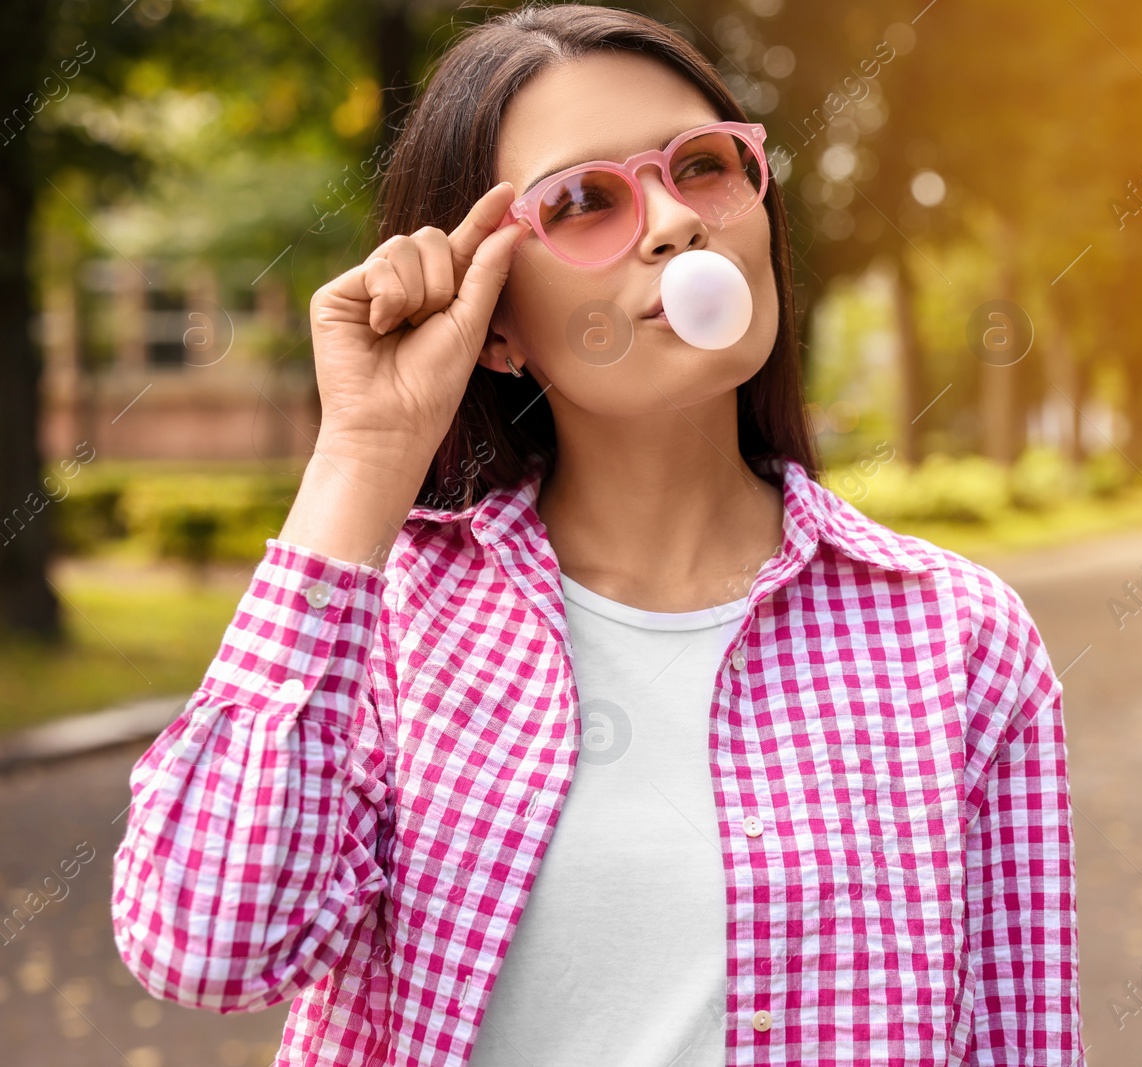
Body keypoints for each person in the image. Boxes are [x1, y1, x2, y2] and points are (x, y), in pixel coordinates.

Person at [109, 5, 1083, 1065]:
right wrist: (362, 458)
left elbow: (1022, 1039)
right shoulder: (391, 626)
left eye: (703, 165)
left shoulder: (960, 638)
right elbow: (206, 949)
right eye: (583, 201)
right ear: (494, 323)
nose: (675, 223)